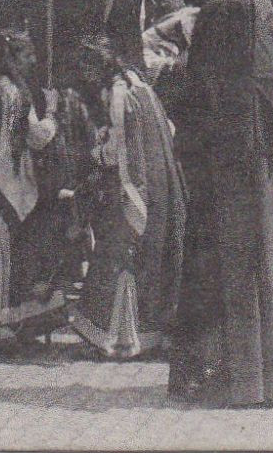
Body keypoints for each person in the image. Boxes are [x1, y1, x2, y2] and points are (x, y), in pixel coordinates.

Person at [165, 0, 273, 407]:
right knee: (266, 276)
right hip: (264, 198)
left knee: (218, 279)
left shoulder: (203, 77)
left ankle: (220, 376)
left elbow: (184, 142)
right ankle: (272, 378)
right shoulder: (270, 73)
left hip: (216, 201)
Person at [70, 35, 187, 359]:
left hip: (132, 186)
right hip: (159, 180)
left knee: (120, 252)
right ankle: (144, 332)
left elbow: (122, 150)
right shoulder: (139, 83)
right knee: (147, 253)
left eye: (89, 67)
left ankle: (118, 336)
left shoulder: (119, 95)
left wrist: (97, 153)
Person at [0, 27, 71, 344]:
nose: (33, 61)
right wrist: (55, 112)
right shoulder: (14, 93)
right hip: (11, 175)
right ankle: (4, 317)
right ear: (13, 57)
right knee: (11, 244)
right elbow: (36, 137)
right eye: (27, 54)